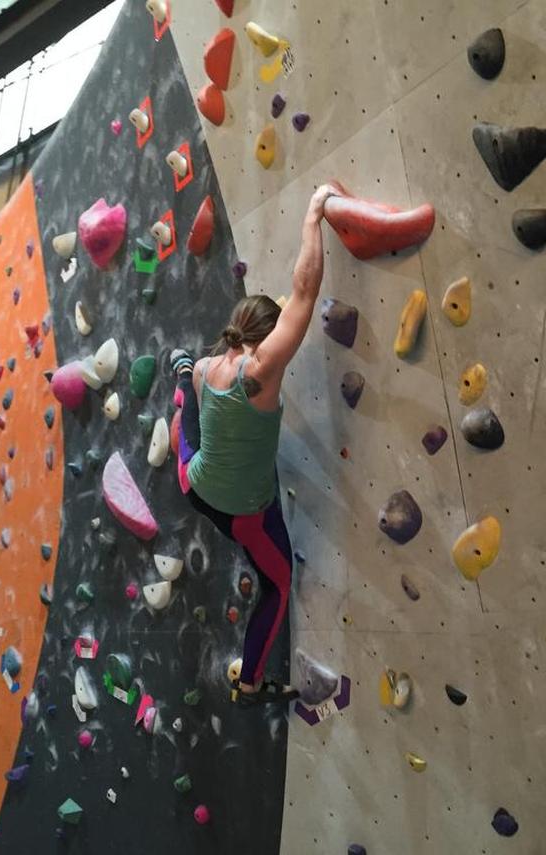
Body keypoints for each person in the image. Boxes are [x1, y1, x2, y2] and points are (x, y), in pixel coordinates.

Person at [169, 183, 339, 705]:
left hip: (192, 481)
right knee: (279, 584)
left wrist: (190, 386)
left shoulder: (208, 368)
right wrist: (313, 215)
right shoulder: (260, 371)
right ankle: (249, 682)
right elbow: (305, 292)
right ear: (266, 341)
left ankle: (176, 387)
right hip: (239, 510)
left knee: (188, 417)